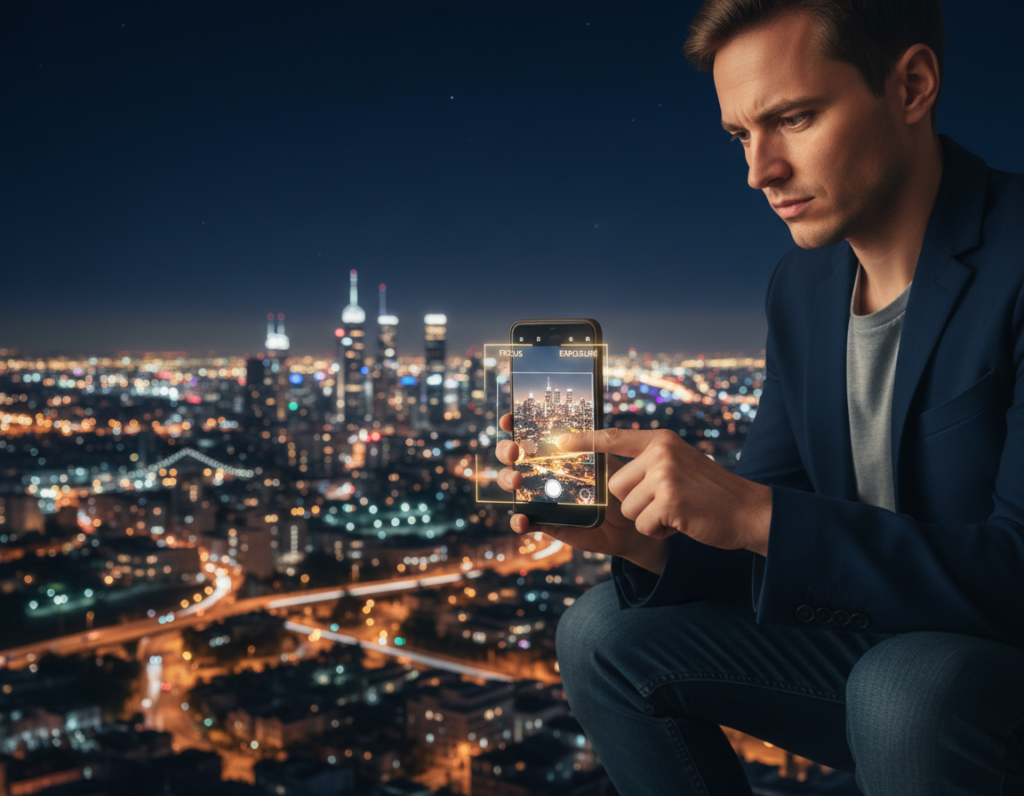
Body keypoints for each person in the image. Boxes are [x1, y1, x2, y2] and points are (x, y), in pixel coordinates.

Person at [494, 1, 1024, 793]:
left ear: (911, 86)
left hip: (977, 666)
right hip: (880, 648)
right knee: (599, 631)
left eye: (795, 119)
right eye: (741, 135)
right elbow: (780, 529)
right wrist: (646, 542)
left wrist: (751, 513)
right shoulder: (801, 286)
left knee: (906, 687)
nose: (758, 171)